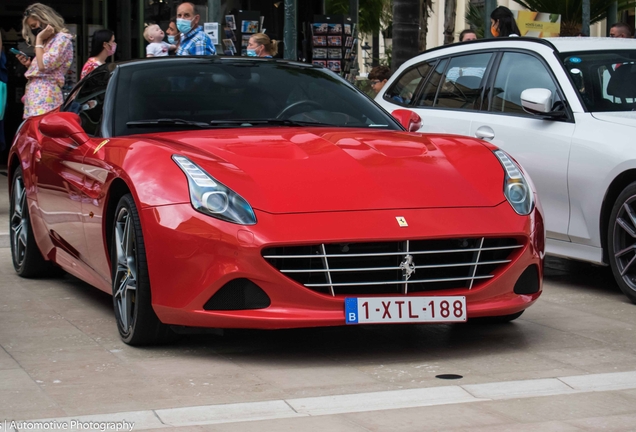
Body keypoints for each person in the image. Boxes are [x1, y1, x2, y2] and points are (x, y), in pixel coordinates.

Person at [17, 3, 73, 119]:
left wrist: (39, 40)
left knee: (42, 130)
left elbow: (45, 66)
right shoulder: (46, 42)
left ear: (45, 19)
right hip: (37, 97)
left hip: (46, 96)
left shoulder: (61, 39)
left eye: (34, 26)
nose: (34, 30)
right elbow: (44, 67)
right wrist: (29, 65)